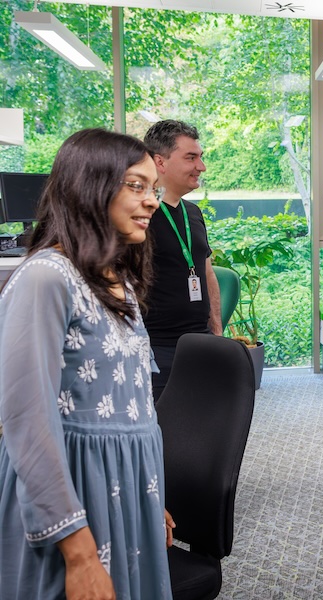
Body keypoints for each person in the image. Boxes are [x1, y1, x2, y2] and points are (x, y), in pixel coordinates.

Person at [0, 128, 174, 598]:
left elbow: (133, 401)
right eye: (136, 186)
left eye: (153, 188)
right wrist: (77, 550)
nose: (151, 201)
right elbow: (26, 422)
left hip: (126, 487)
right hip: (73, 498)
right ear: (90, 187)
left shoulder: (120, 281)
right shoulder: (45, 278)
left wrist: (148, 494)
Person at [143, 120, 221, 401]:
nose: (201, 166)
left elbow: (206, 273)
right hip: (157, 348)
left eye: (201, 157)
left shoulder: (193, 213)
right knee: (165, 437)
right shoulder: (141, 216)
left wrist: (216, 330)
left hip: (201, 342)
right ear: (159, 162)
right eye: (191, 157)